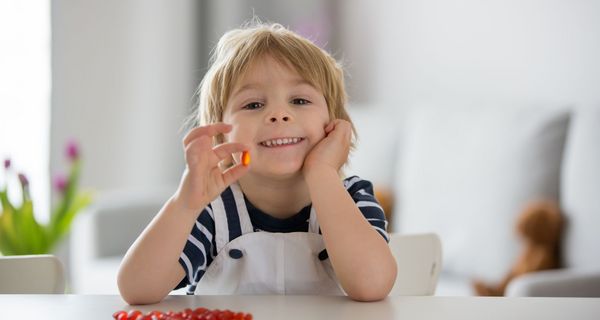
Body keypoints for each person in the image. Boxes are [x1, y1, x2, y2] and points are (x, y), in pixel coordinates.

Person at [117, 22, 397, 305]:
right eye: (253, 105)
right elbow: (136, 289)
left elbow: (371, 285)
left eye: (299, 100)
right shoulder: (212, 211)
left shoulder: (354, 197)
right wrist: (185, 204)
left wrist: (322, 173)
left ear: (335, 126)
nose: (278, 114)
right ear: (219, 132)